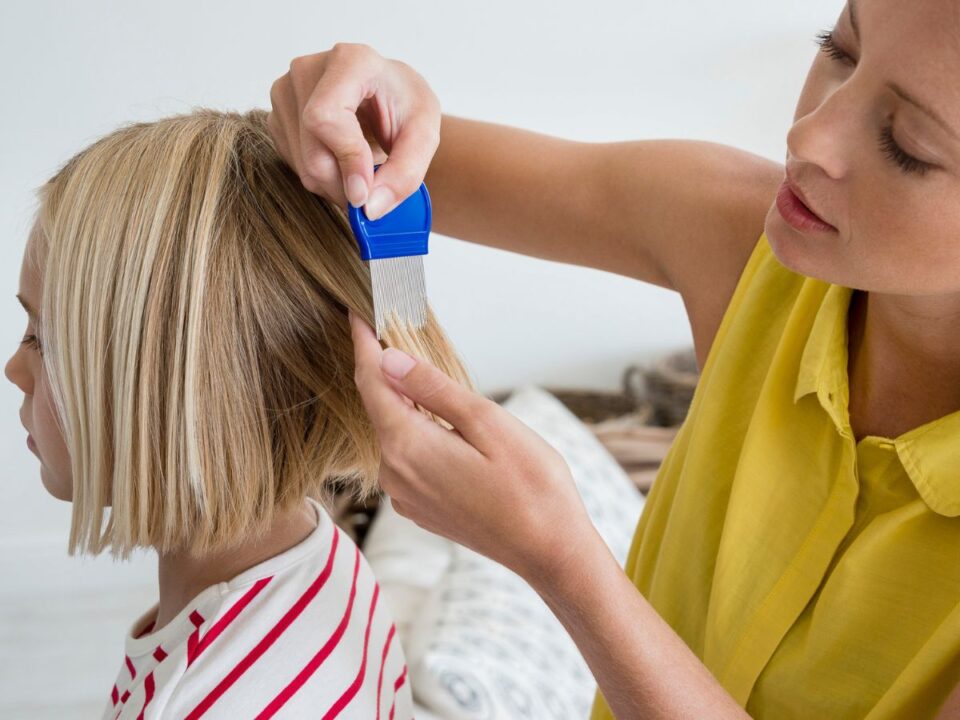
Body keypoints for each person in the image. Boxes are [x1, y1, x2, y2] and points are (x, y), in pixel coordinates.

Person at [266, 0, 960, 717]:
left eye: (907, 145)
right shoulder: (747, 239)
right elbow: (389, 163)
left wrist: (562, 562)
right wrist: (364, 109)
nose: (809, 136)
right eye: (840, 48)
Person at [6, 107, 473, 719]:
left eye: (44, 340)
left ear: (177, 396)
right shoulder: (316, 549)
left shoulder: (202, 703)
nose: (15, 367)